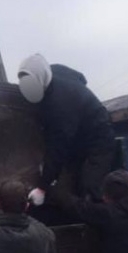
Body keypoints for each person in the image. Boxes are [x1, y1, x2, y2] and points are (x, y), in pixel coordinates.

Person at [17, 54, 115, 205]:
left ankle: (100, 223)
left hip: (98, 138)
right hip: (78, 136)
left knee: (90, 186)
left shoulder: (61, 104)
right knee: (70, 179)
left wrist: (42, 188)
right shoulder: (52, 72)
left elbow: (58, 147)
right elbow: (80, 77)